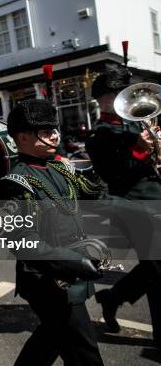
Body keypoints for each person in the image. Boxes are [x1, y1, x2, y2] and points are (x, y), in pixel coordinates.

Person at [0, 99, 107, 365]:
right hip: (47, 281)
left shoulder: (59, 168)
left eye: (54, 129)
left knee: (49, 341)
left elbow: (96, 196)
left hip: (71, 275)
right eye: (45, 132)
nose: (55, 136)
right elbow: (22, 242)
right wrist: (72, 261)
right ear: (22, 137)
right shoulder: (14, 184)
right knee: (85, 354)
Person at [85, 67, 161, 348]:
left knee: (155, 268)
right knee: (157, 271)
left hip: (156, 196)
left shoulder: (138, 124)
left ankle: (112, 297)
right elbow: (114, 176)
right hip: (131, 205)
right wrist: (139, 151)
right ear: (102, 99)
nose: (121, 98)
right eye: (114, 93)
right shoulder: (100, 135)